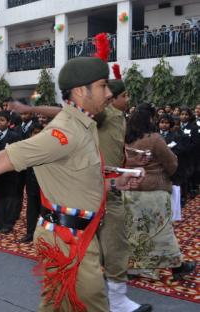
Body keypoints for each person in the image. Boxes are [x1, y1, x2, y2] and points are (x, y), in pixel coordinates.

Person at [0, 57, 146, 311]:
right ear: (81, 91)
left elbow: (77, 180)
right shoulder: (64, 134)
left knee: (57, 303)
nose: (109, 92)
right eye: (103, 85)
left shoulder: (87, 125)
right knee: (91, 304)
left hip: (79, 236)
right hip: (68, 242)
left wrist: (114, 185)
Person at [96, 77, 152, 312]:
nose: (128, 100)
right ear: (111, 99)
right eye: (124, 96)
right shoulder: (104, 114)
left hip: (112, 186)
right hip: (102, 189)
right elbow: (64, 113)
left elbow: (113, 148)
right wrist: (29, 108)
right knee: (111, 245)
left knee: (111, 244)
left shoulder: (119, 118)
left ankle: (112, 299)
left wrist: (130, 155)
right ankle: (116, 302)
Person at [124, 103, 195, 282]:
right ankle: (176, 266)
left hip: (132, 189)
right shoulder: (154, 138)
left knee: (137, 230)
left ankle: (140, 268)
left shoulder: (126, 138)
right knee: (161, 230)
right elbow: (171, 163)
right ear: (149, 119)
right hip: (154, 189)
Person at [0, 111, 20, 234]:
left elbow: (17, 152)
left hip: (9, 171)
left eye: (2, 120)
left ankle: (8, 223)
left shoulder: (14, 135)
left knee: (9, 198)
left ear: (8, 122)